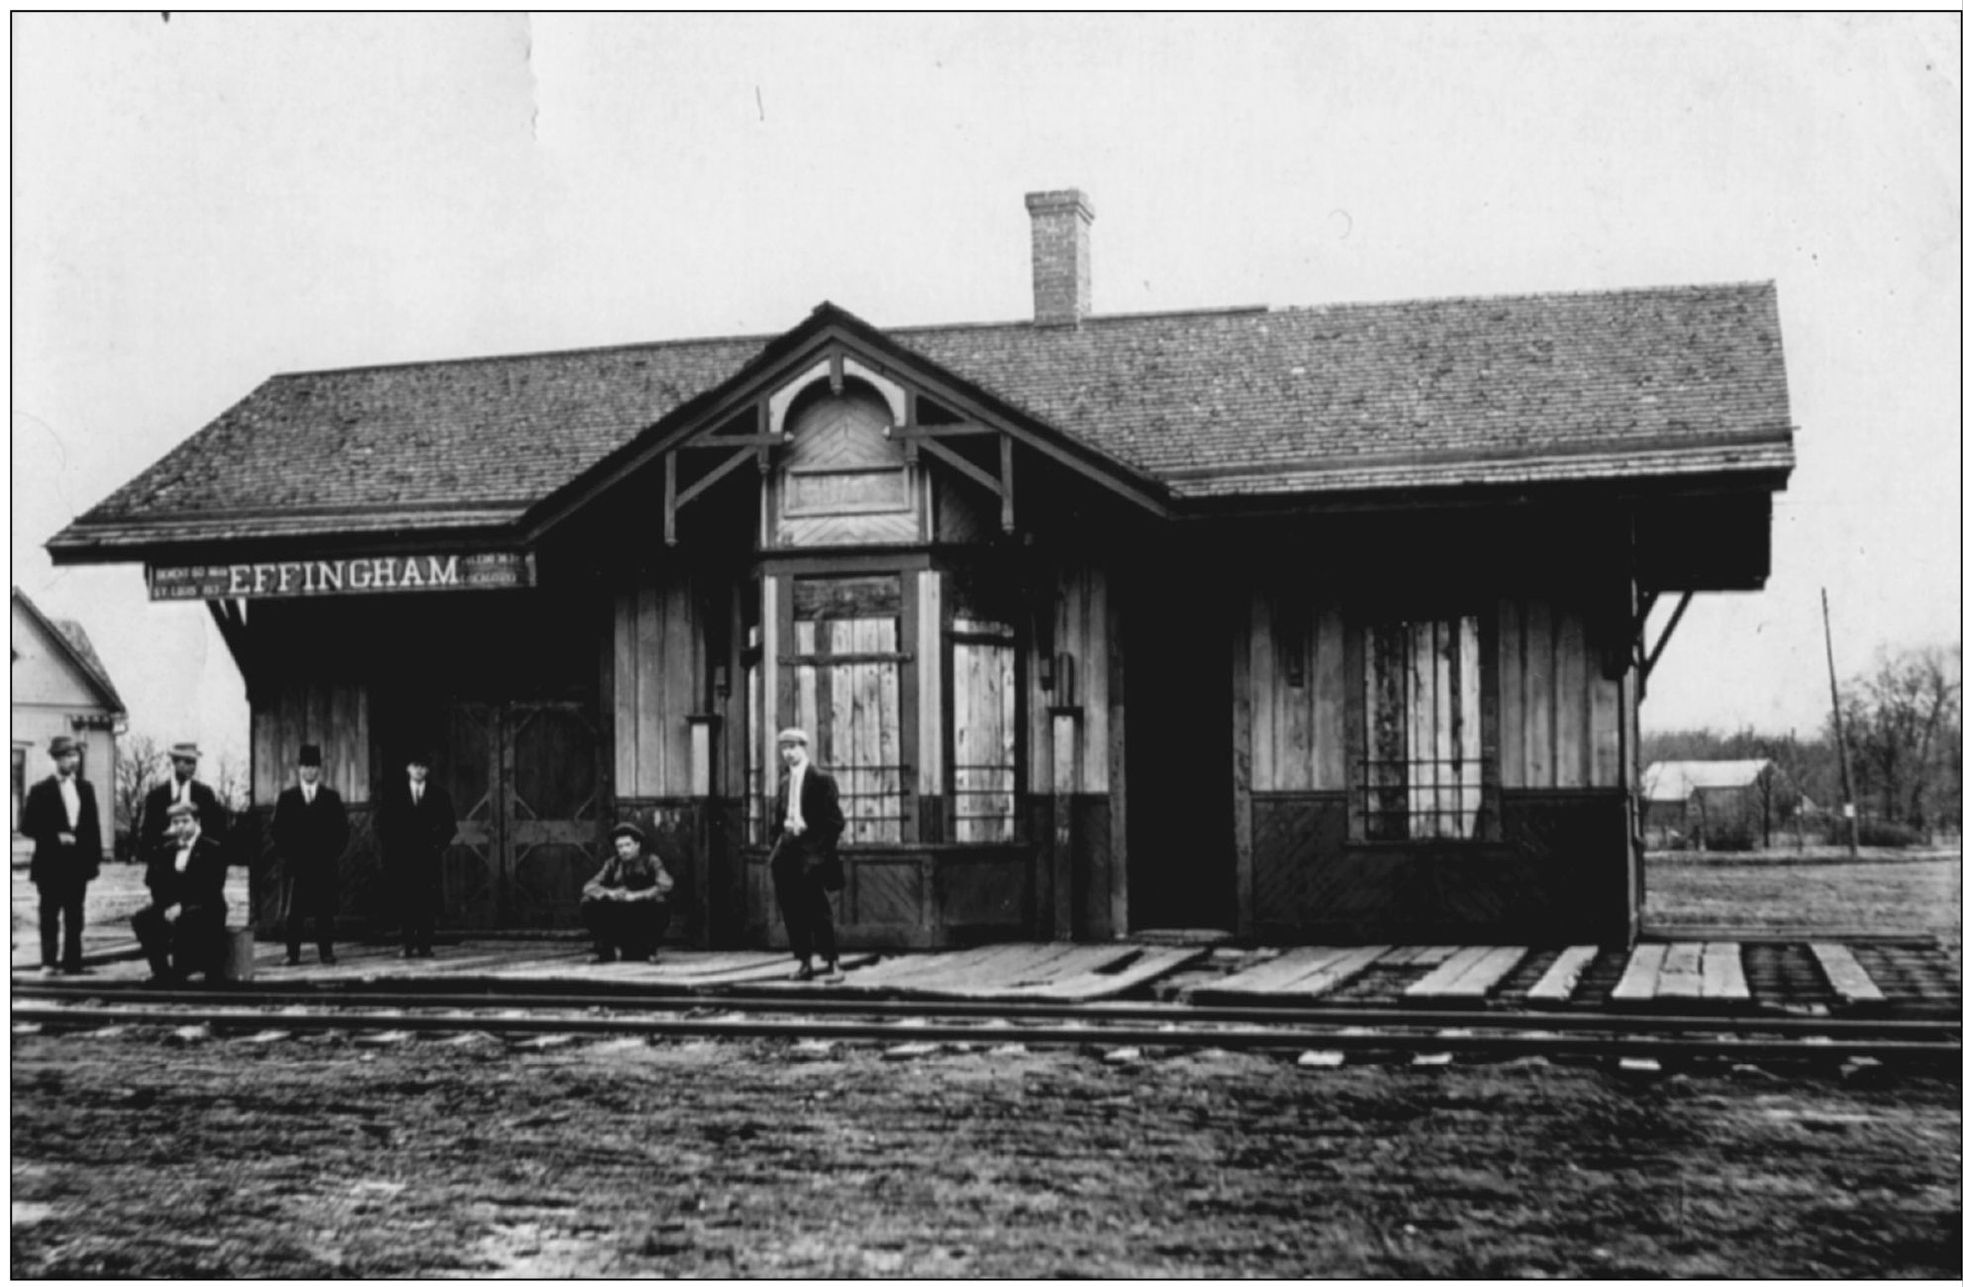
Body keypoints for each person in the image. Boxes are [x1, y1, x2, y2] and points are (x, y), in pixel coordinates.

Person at [20, 735, 105, 977]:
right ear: (56, 759)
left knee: (75, 915)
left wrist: (93, 860)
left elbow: (93, 827)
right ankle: (48, 963)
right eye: (67, 756)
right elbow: (28, 826)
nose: (73, 761)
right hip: (50, 864)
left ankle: (73, 963)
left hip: (76, 865)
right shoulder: (40, 790)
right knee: (49, 914)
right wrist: (55, 836)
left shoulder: (85, 789)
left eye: (75, 755)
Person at [770, 727, 845, 981]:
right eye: (784, 748)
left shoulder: (821, 779)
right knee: (792, 909)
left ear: (804, 747)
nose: (788, 753)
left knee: (817, 908)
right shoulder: (783, 783)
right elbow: (777, 820)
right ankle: (804, 962)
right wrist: (778, 846)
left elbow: (835, 822)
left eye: (793, 747)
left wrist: (819, 853)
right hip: (787, 850)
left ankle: (833, 963)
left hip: (811, 852)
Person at [132, 799, 229, 983]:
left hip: (204, 905)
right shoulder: (167, 849)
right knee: (143, 919)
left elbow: (211, 886)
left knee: (190, 917)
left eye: (185, 821)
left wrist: (182, 905)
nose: (180, 827)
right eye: (176, 823)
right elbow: (154, 882)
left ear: (197, 822)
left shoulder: (212, 848)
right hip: (173, 906)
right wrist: (167, 905)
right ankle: (161, 971)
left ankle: (190, 968)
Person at [270, 743, 350, 965]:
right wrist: (289, 855)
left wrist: (331, 854)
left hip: (323, 864)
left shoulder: (331, 798)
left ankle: (326, 951)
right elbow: (277, 831)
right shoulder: (287, 798)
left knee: (324, 911)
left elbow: (342, 831)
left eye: (313, 767)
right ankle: (292, 954)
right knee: (294, 913)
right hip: (296, 866)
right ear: (299, 769)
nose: (309, 771)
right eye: (305, 767)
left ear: (319, 770)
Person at [373, 749, 456, 959]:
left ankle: (425, 945)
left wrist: (437, 846)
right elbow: (381, 825)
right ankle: (408, 944)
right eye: (415, 766)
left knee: (427, 903)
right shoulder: (394, 795)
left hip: (428, 858)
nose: (419, 770)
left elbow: (449, 826)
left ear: (427, 770)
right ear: (407, 769)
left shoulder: (439, 795)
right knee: (406, 901)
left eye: (422, 767)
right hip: (403, 859)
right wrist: (394, 849)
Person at [580, 822, 676, 963]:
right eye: (620, 846)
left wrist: (637, 896)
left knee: (660, 902)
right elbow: (589, 887)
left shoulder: (651, 861)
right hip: (619, 918)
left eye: (628, 845)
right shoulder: (612, 864)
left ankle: (650, 950)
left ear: (637, 845)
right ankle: (605, 951)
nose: (624, 850)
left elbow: (666, 884)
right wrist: (610, 893)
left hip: (641, 917)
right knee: (587, 902)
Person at [140, 741, 227, 856]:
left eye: (194, 762)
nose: (192, 767)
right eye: (187, 762)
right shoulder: (156, 796)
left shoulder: (205, 794)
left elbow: (214, 831)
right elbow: (148, 835)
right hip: (163, 860)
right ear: (174, 762)